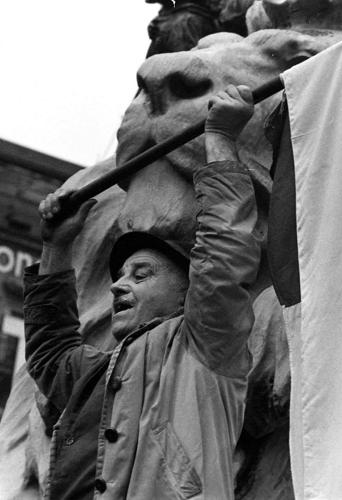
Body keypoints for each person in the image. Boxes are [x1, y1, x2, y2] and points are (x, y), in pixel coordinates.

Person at [23, 84, 259, 498]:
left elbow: (223, 252)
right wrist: (56, 245)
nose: (117, 284)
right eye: (121, 274)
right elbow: (50, 350)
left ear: (190, 292)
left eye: (141, 273)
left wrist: (220, 140)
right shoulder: (97, 372)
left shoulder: (205, 343)